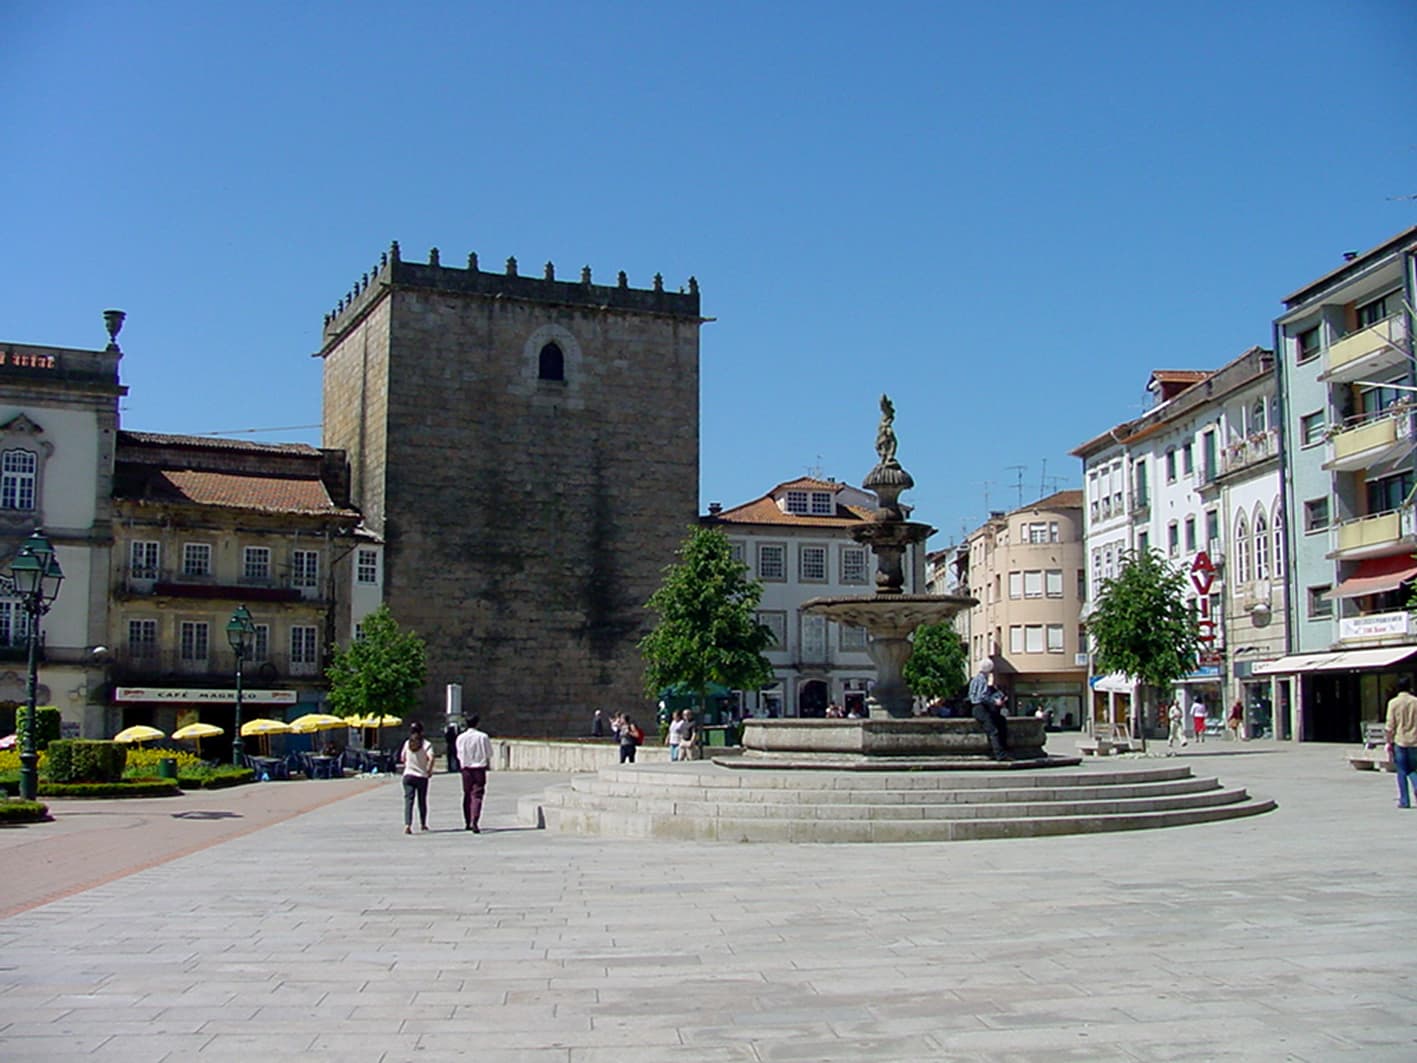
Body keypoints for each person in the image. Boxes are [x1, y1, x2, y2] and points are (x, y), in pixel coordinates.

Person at [454, 715, 493, 832]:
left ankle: (467, 821)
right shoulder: (483, 737)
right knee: (477, 794)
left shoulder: (461, 738)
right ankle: (475, 819)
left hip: (466, 769)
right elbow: (489, 753)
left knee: (467, 794)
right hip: (479, 768)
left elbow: (459, 754)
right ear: (477, 724)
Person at [967, 660, 1010, 760]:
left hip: (977, 707)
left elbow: (973, 695)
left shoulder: (976, 679)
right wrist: (995, 702)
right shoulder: (982, 680)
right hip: (980, 708)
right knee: (993, 730)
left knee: (1001, 721)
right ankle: (999, 754)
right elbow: (982, 696)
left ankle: (1001, 750)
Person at [398, 721, 436, 835]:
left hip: (408, 775)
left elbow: (402, 758)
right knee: (422, 801)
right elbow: (432, 757)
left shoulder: (407, 743)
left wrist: (409, 764)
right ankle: (423, 824)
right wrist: (429, 770)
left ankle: (407, 825)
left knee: (408, 801)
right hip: (421, 776)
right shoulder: (426, 744)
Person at [1386, 676, 1417, 809]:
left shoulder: (1393, 703)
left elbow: (1390, 725)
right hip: (1415, 741)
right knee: (1414, 769)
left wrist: (1389, 742)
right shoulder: (1416, 701)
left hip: (1401, 741)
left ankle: (1404, 800)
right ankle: (1416, 786)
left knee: (1402, 770)